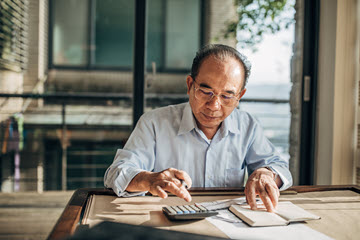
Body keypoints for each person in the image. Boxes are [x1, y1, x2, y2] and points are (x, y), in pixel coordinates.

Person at [104, 44, 292, 212]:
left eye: (227, 96)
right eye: (205, 91)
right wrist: (148, 179)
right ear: (190, 85)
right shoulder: (154, 123)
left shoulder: (248, 126)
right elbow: (116, 173)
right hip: (167, 223)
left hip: (229, 224)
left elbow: (280, 167)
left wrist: (267, 173)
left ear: (239, 97)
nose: (214, 105)